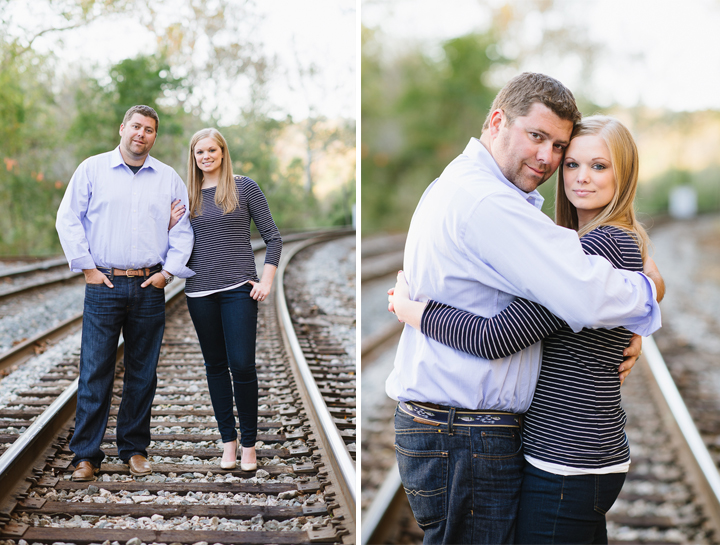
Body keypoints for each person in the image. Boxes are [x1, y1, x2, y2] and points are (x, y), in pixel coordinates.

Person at [383, 73, 663, 545]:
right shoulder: (491, 202)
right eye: (543, 141)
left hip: (559, 453)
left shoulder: (467, 186)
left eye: (561, 148)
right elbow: (581, 293)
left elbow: (513, 327)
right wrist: (644, 296)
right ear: (498, 121)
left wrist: (416, 311)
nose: (554, 162)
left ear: (624, 175)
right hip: (469, 434)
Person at [56, 105, 195, 481]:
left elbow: (183, 231)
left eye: (149, 130)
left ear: (154, 136)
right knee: (95, 370)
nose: (141, 134)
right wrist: (87, 268)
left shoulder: (167, 178)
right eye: (136, 126)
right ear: (122, 128)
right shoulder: (92, 169)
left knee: (143, 373)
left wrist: (168, 273)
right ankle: (86, 455)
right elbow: (68, 218)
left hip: (150, 285)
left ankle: (134, 449)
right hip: (105, 282)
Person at [180, 128, 282, 471]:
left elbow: (274, 238)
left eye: (211, 150)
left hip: (239, 288)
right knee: (215, 368)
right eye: (199, 152)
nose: (206, 157)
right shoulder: (187, 195)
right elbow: (173, 241)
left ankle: (250, 445)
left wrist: (265, 280)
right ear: (193, 157)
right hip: (199, 292)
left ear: (223, 152)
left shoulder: (244, 187)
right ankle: (229, 442)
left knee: (241, 365)